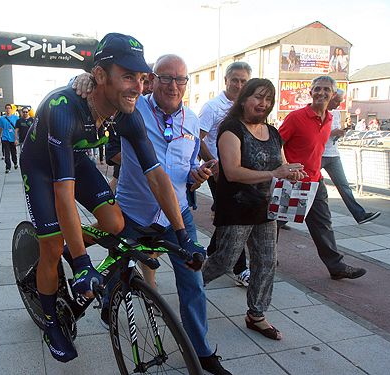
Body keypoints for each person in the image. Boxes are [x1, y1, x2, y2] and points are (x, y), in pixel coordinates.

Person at [20, 33, 204, 364]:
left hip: (74, 160)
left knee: (116, 222)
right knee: (50, 247)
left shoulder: (126, 113)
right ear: (100, 77)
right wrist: (80, 264)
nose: (138, 85)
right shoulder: (63, 108)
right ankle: (51, 321)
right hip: (41, 169)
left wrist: (182, 235)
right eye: (128, 76)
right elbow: (64, 194)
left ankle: (74, 249)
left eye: (141, 77)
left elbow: (157, 176)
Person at [202, 78, 306, 341]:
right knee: (224, 260)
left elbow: (281, 163)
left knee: (266, 261)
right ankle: (192, 285)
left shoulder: (273, 133)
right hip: (237, 207)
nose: (263, 104)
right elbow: (232, 171)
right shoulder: (231, 129)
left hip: (266, 209)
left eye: (268, 99)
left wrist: (291, 172)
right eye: (258, 97)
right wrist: (273, 172)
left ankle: (256, 315)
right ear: (245, 99)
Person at [279, 76, 367, 280]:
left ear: (333, 94)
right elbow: (277, 143)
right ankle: (264, 257)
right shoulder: (295, 117)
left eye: (326, 89)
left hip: (314, 182)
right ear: (310, 93)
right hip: (292, 181)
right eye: (317, 89)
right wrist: (285, 166)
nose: (321, 93)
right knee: (274, 222)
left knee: (322, 224)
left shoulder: (329, 119)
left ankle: (336, 267)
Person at [199, 61, 252, 287]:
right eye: (235, 80)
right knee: (233, 215)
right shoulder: (212, 107)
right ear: (226, 80)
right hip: (219, 172)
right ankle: (240, 268)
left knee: (227, 213)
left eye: (243, 81)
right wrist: (214, 164)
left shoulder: (246, 107)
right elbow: (198, 138)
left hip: (240, 170)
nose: (238, 85)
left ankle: (211, 250)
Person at [322, 90, 380, 224]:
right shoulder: (317, 111)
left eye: (340, 102)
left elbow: (332, 131)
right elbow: (314, 135)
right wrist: (331, 133)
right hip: (319, 154)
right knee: (304, 186)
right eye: (336, 101)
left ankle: (360, 215)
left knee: (344, 186)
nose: (338, 105)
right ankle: (282, 218)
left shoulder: (335, 113)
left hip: (333, 154)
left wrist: (338, 133)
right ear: (330, 97)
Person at [0, 103, 19, 173]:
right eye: (6, 108)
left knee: (13, 153)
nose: (8, 110)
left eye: (9, 108)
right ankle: (8, 167)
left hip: (13, 138)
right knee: (6, 154)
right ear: (5, 109)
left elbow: (18, 128)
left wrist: (17, 138)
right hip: (5, 138)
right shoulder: (2, 118)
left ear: (11, 109)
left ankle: (15, 163)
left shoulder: (16, 118)